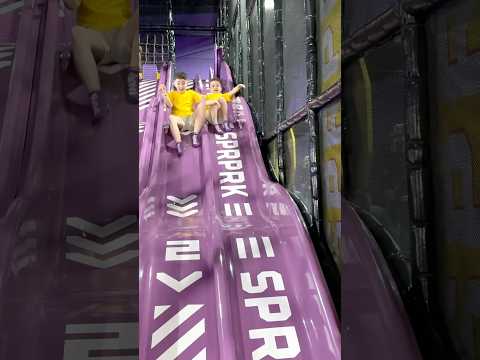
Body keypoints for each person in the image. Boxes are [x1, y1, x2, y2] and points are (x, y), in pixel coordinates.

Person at [64, 0, 139, 122]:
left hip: (122, 40)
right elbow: (71, 5)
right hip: (97, 40)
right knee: (77, 33)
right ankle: (96, 97)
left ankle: (133, 75)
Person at [159, 72, 206, 156]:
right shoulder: (172, 94)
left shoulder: (191, 93)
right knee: (171, 117)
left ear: (186, 83)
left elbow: (203, 99)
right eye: (178, 83)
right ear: (174, 84)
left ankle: (195, 135)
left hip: (191, 120)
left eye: (183, 83)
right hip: (180, 121)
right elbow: (169, 105)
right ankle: (178, 143)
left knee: (202, 105)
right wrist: (164, 93)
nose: (181, 86)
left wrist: (216, 99)